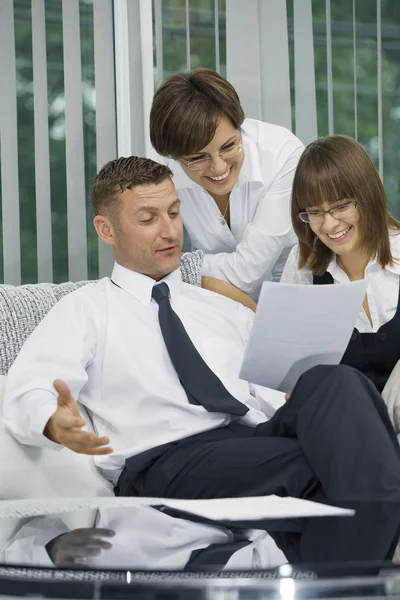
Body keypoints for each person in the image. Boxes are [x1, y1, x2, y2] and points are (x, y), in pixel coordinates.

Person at [3, 156, 400, 505]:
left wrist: (296, 394)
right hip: (164, 458)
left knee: (337, 380)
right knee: (323, 465)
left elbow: (273, 390)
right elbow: (29, 387)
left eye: (174, 213)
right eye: (148, 218)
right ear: (106, 230)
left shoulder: (220, 307)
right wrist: (53, 422)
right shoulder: (86, 308)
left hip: (253, 438)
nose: (169, 231)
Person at [149, 68, 304, 299]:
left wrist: (172, 266)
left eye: (229, 146)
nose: (219, 168)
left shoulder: (283, 155)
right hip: (219, 310)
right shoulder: (162, 174)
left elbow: (247, 272)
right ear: (173, 156)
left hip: (299, 302)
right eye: (198, 158)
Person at [281, 135, 400, 395]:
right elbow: (287, 371)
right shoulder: (302, 264)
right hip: (342, 421)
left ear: (368, 196)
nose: (330, 224)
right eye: (315, 212)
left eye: (341, 206)